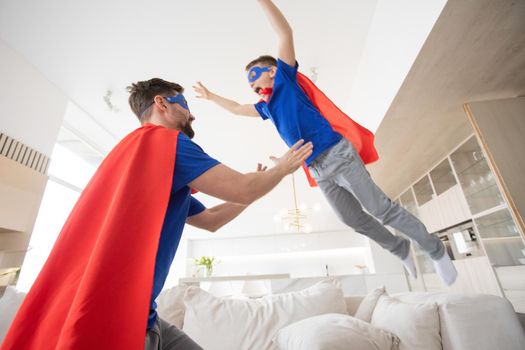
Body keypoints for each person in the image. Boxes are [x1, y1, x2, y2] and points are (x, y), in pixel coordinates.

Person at [1, 78, 313, 350]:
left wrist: (255, 189)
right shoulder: (167, 143)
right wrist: (281, 169)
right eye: (186, 105)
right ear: (161, 102)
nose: (192, 114)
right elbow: (244, 188)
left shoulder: (138, 157)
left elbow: (211, 220)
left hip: (145, 315)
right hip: (124, 318)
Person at [193, 0, 457, 286]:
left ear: (271, 71)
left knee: (380, 209)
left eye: (255, 76)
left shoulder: (285, 80)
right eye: (249, 84)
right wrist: (211, 97)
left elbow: (284, 33)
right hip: (317, 169)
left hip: (337, 154)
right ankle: (399, 248)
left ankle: (435, 248)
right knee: (351, 219)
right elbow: (235, 108)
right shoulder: (267, 107)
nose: (252, 85)